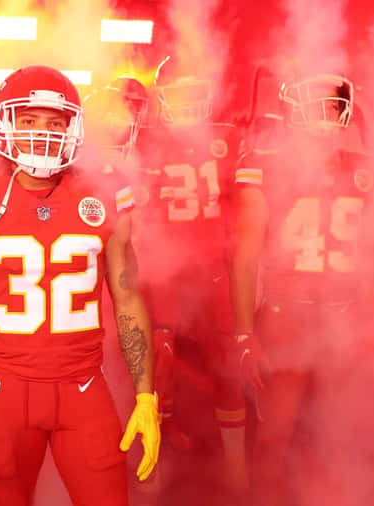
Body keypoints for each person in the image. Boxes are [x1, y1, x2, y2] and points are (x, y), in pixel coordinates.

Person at [0, 64, 160, 506]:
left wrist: (146, 395)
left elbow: (128, 296)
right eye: (28, 121)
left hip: (84, 387)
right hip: (5, 393)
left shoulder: (105, 190)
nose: (41, 134)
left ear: (73, 128)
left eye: (54, 123)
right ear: (4, 124)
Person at [231, 71, 374, 506]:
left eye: (332, 103)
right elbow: (244, 256)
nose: (326, 113)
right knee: (275, 437)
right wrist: (244, 334)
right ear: (292, 112)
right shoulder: (265, 165)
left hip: (346, 317)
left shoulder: (365, 168)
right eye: (316, 104)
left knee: (345, 438)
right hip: (289, 316)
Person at [137, 55, 248, 491]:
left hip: (213, 273)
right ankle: (154, 462)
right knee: (158, 368)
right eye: (176, 95)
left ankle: (237, 468)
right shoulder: (145, 143)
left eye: (192, 94)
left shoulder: (228, 139)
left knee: (228, 368)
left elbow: (243, 212)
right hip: (164, 274)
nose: (185, 104)